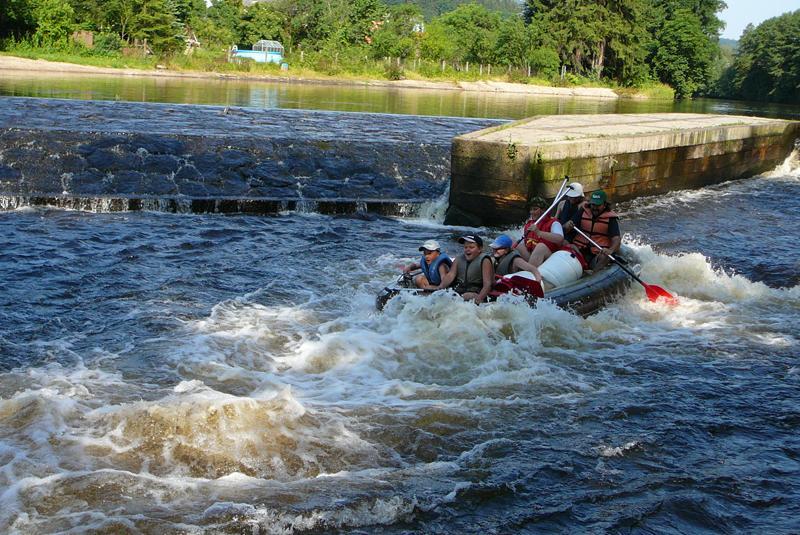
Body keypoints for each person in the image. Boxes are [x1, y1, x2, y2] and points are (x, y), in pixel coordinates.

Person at [570, 189, 621, 270]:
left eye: (598, 205)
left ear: (604, 204)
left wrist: (610, 250)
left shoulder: (611, 218)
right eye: (593, 205)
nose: (594, 208)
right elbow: (567, 226)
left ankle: (593, 275)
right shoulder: (583, 211)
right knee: (568, 245)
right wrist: (567, 226)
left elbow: (616, 239)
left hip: (597, 253)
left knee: (605, 256)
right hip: (580, 250)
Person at [439, 234, 494, 304]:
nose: (467, 249)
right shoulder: (458, 259)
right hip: (459, 290)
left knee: (466, 296)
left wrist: (479, 299)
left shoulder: (485, 261)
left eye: (471, 247)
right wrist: (440, 289)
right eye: (465, 247)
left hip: (477, 292)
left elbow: (487, 284)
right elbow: (450, 276)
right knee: (443, 296)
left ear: (480, 249)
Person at [514, 197, 565, 267]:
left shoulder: (554, 223)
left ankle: (530, 272)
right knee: (517, 245)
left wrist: (539, 232)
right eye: (531, 209)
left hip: (549, 258)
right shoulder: (529, 224)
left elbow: (560, 239)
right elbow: (524, 242)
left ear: (543, 210)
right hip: (532, 256)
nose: (532, 212)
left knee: (541, 247)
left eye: (535, 209)